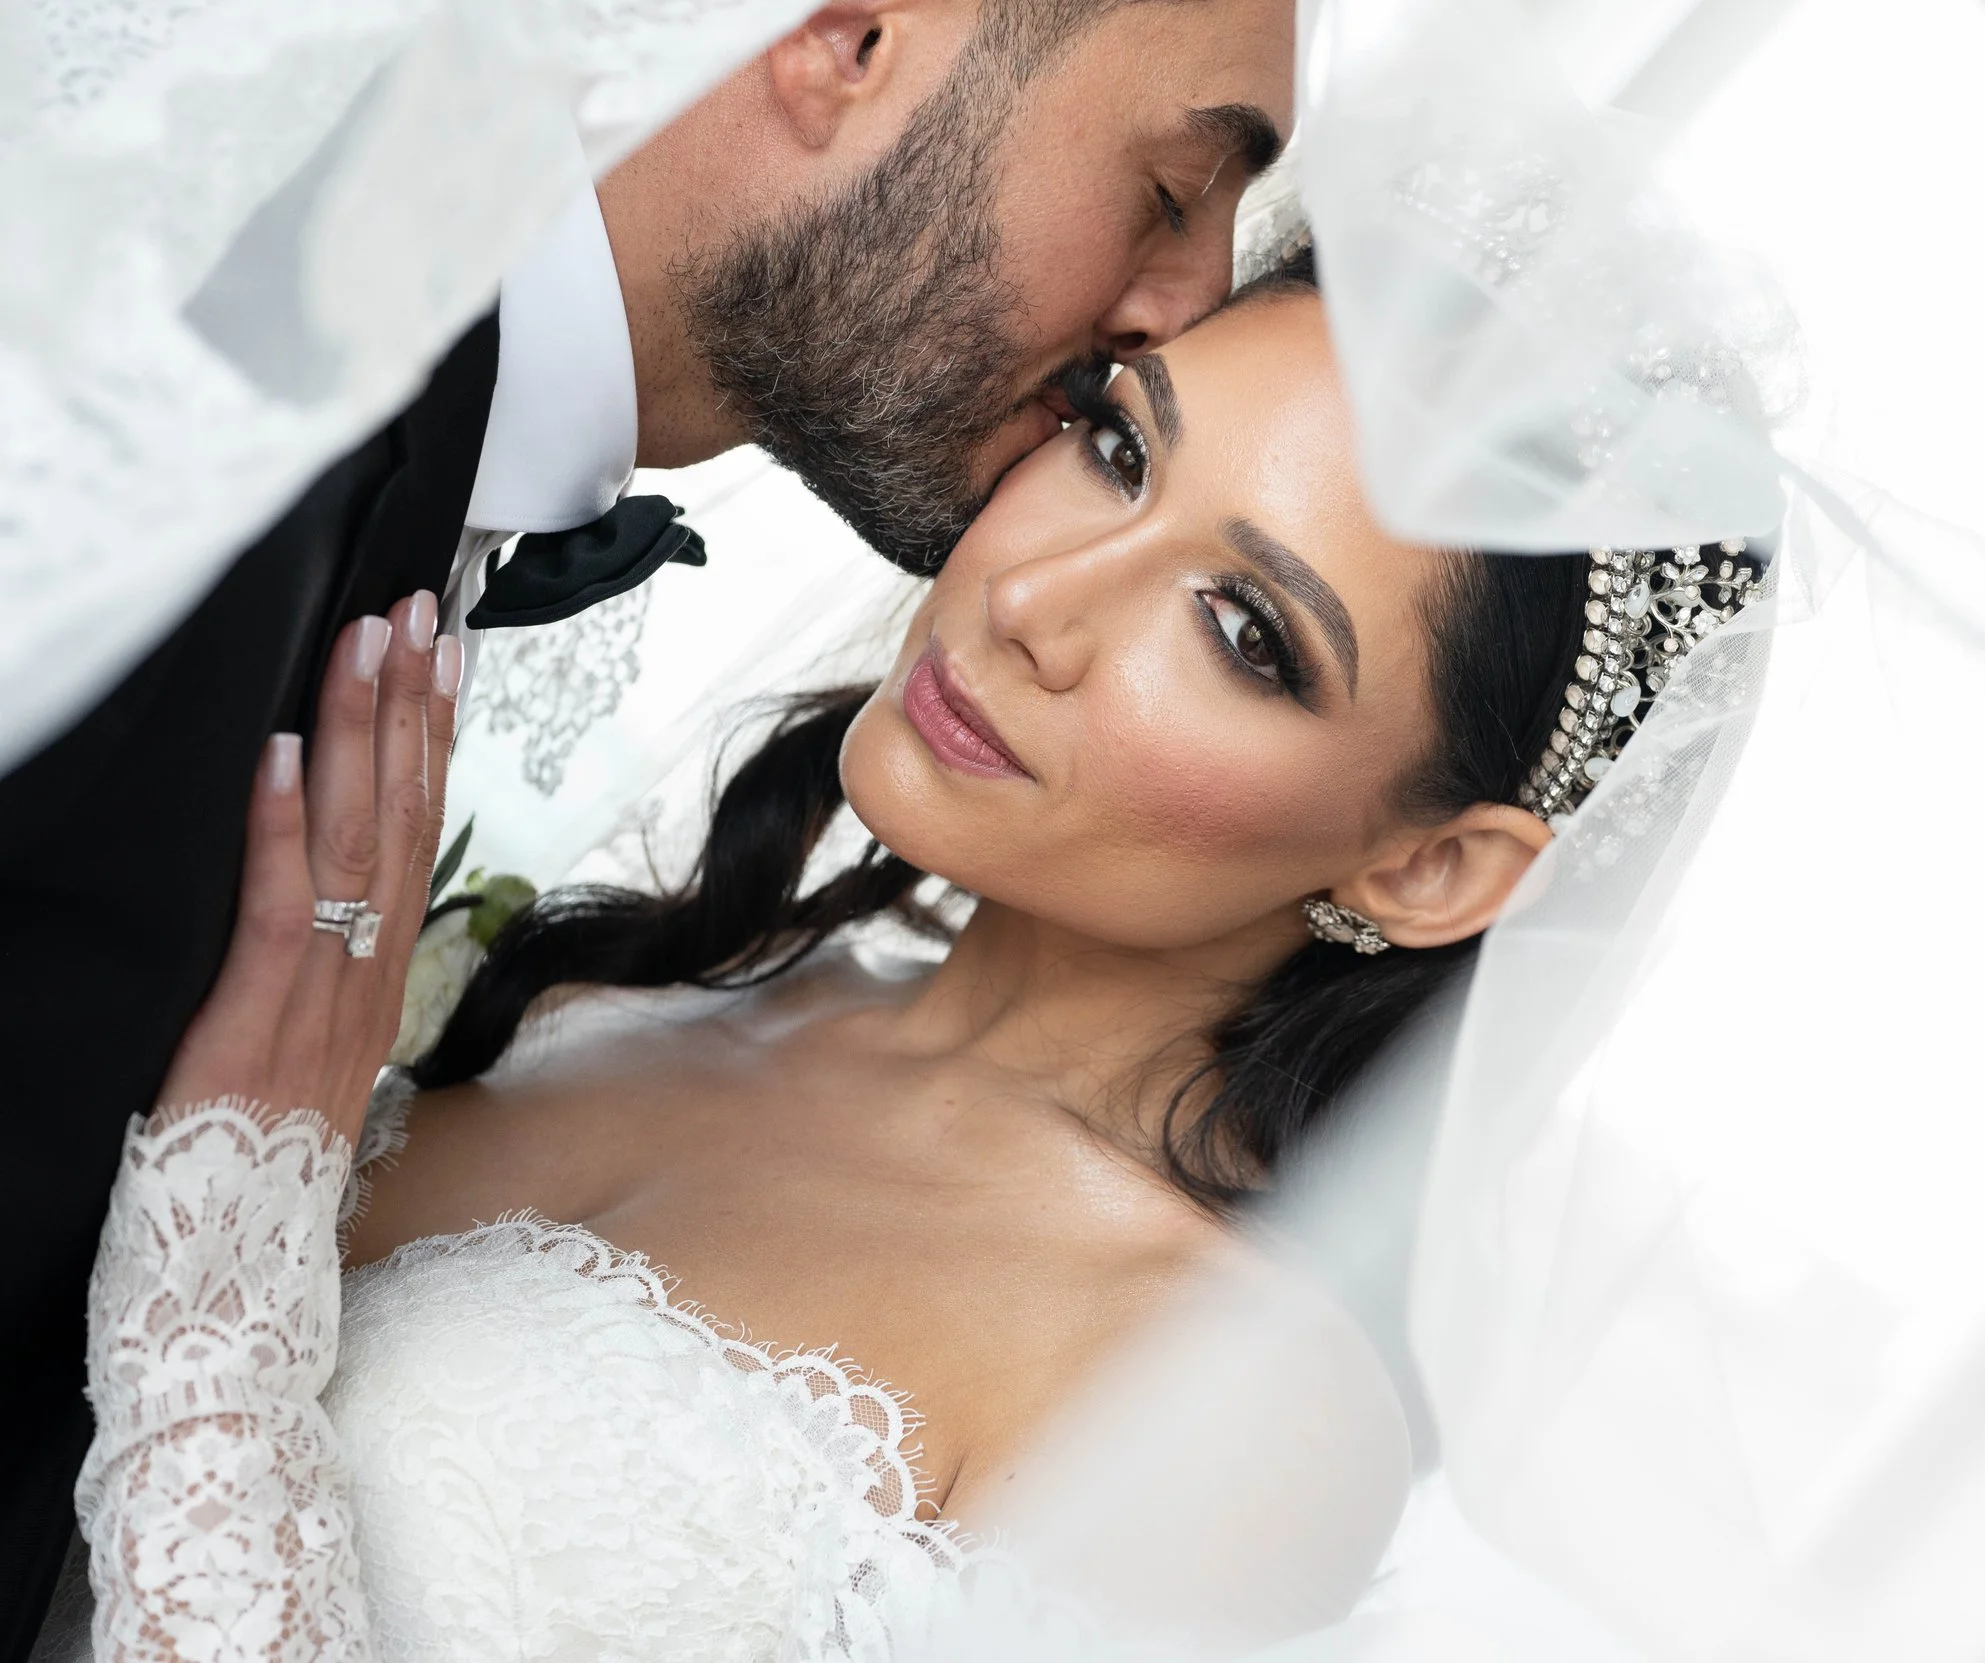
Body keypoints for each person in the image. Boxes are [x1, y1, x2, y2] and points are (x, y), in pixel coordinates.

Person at [52, 257, 1764, 1657]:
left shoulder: (1240, 1416)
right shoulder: (694, 964)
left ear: (1428, 863)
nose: (1037, 594)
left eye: (1242, 630)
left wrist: (213, 1309)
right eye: (1117, 445)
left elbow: (211, 1334)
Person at [0, 1, 1290, 1644]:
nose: (1182, 309)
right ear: (846, 34)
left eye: (1251, 634)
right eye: (1174, 190)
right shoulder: (181, 372)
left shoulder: (1203, 1397)